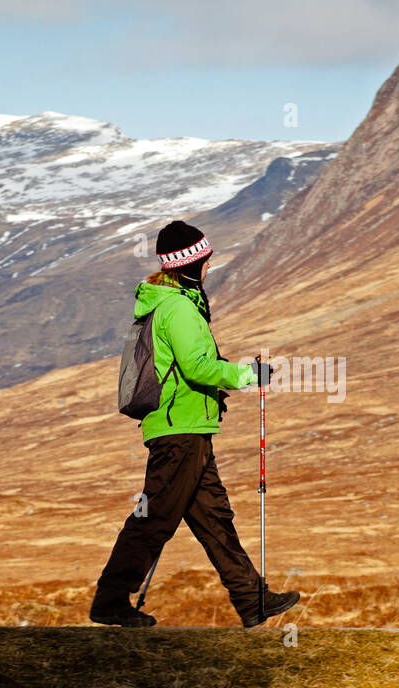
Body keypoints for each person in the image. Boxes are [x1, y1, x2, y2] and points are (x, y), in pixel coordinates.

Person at [91, 220, 300, 629]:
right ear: (191, 263)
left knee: (214, 517)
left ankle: (251, 599)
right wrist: (247, 375)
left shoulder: (170, 303)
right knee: (153, 520)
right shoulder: (179, 308)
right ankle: (110, 601)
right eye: (205, 259)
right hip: (179, 432)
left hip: (188, 430)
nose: (209, 267)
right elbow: (198, 367)